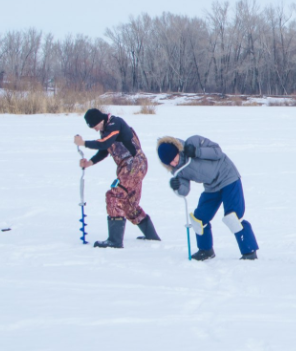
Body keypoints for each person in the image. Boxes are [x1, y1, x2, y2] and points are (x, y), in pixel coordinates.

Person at [156, 135, 258, 260]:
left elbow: (217, 152)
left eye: (173, 158)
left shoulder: (193, 141)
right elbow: (184, 190)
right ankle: (206, 250)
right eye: (169, 163)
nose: (173, 163)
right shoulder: (177, 170)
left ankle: (249, 252)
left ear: (177, 150)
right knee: (198, 219)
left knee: (233, 217)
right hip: (212, 187)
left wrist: (196, 152)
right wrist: (176, 187)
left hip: (228, 176)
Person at [75, 108, 159, 248]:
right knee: (130, 205)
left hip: (133, 165)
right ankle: (151, 237)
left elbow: (105, 143)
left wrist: (83, 143)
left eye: (94, 126)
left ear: (100, 120)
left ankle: (114, 241)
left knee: (114, 196)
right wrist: (89, 163)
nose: (95, 129)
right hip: (129, 168)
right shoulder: (106, 131)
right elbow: (104, 151)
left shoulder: (115, 123)